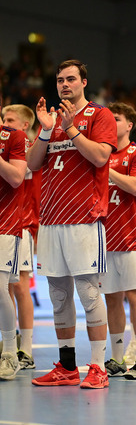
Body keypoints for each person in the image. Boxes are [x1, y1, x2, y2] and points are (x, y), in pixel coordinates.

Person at [28, 60, 117, 389]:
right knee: (59, 296)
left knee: (89, 294)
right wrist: (46, 129)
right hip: (51, 220)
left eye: (70, 79)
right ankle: (67, 367)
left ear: (83, 82)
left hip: (84, 219)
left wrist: (71, 129)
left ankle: (98, 367)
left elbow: (101, 157)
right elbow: (33, 163)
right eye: (60, 80)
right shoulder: (52, 119)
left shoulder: (100, 115)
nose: (64, 84)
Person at [100, 102, 136, 380]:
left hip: (131, 238)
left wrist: (104, 168)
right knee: (111, 299)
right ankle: (117, 359)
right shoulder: (100, 152)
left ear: (129, 125)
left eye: (117, 119)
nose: (111, 122)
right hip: (103, 239)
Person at [1, 104, 38, 370]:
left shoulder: (27, 145)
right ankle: (11, 344)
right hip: (12, 219)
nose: (6, 123)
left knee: (20, 286)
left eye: (11, 119)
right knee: (8, 286)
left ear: (25, 124)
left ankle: (25, 349)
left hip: (22, 221)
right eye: (4, 118)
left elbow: (16, 177)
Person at [0, 106, 27, 381]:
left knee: (1, 289)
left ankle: (10, 352)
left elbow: (17, 177)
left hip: (5, 224)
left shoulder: (14, 137)